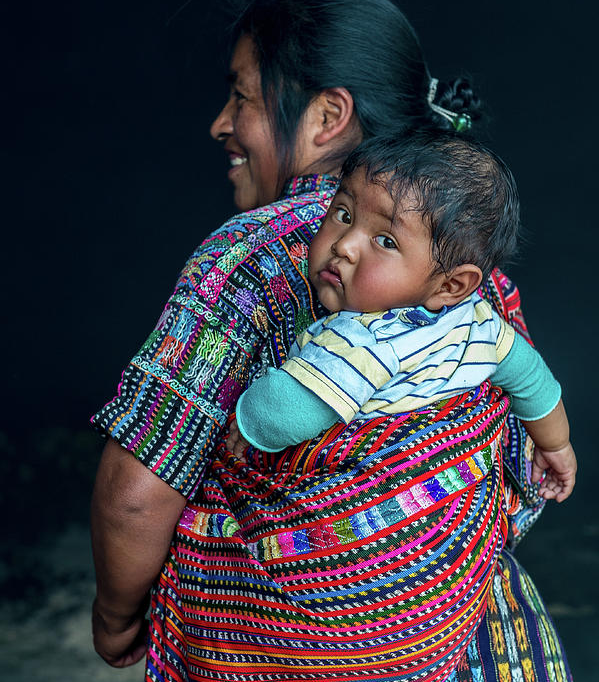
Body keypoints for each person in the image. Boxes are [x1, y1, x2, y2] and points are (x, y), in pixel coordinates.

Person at [90, 0, 593, 682]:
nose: (221, 124)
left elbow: (139, 492)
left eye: (241, 97)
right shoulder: (470, 288)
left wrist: (116, 618)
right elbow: (517, 459)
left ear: (325, 117)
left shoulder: (246, 261)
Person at [227, 133, 576, 504]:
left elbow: (286, 415)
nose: (343, 245)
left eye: (385, 241)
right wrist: (557, 445)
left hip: (363, 534)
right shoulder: (479, 323)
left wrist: (247, 423)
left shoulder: (365, 339)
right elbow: (532, 377)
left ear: (452, 285)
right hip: (447, 541)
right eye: (343, 214)